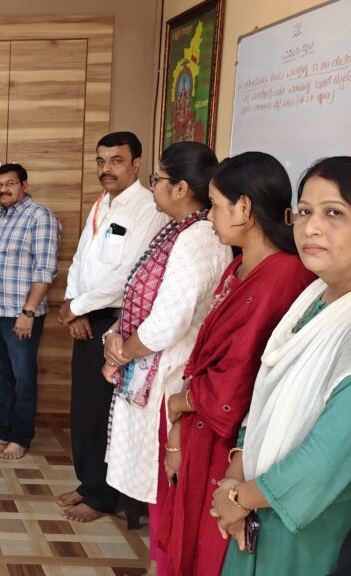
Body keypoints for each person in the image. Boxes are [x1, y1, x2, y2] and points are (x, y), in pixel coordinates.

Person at [155, 152, 315, 576]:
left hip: (230, 442)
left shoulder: (284, 277)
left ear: (244, 207)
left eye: (214, 206)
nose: (209, 217)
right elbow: (205, 355)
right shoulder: (240, 266)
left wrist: (179, 404)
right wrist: (177, 431)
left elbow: (238, 379)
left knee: (212, 548)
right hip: (199, 427)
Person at [212, 157, 351, 576]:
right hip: (255, 506)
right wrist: (235, 475)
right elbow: (266, 396)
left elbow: (325, 458)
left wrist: (237, 498)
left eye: (334, 213)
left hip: (310, 528)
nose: (311, 227)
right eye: (304, 211)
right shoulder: (311, 299)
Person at [99, 142, 230, 573]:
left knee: (167, 486)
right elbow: (141, 301)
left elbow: (165, 324)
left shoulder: (199, 240)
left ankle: (164, 565)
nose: (152, 186)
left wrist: (122, 353)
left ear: (181, 189)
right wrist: (115, 336)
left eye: (157, 179)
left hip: (170, 379)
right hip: (150, 367)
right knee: (160, 488)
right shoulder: (177, 231)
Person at [56, 131, 169, 523]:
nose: (106, 169)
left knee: (103, 412)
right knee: (83, 408)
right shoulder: (101, 203)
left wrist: (77, 307)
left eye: (116, 160)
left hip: (117, 322)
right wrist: (74, 307)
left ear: (136, 164)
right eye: (101, 161)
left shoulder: (148, 208)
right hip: (88, 316)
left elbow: (129, 275)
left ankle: (103, 497)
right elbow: (81, 259)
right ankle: (88, 482)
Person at [0, 163, 61, 460]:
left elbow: (45, 270)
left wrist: (28, 312)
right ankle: (1, 429)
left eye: (10, 184)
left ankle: (20, 437)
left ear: (24, 185)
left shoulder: (40, 217)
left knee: (23, 377)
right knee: (0, 375)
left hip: (20, 314)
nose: (3, 190)